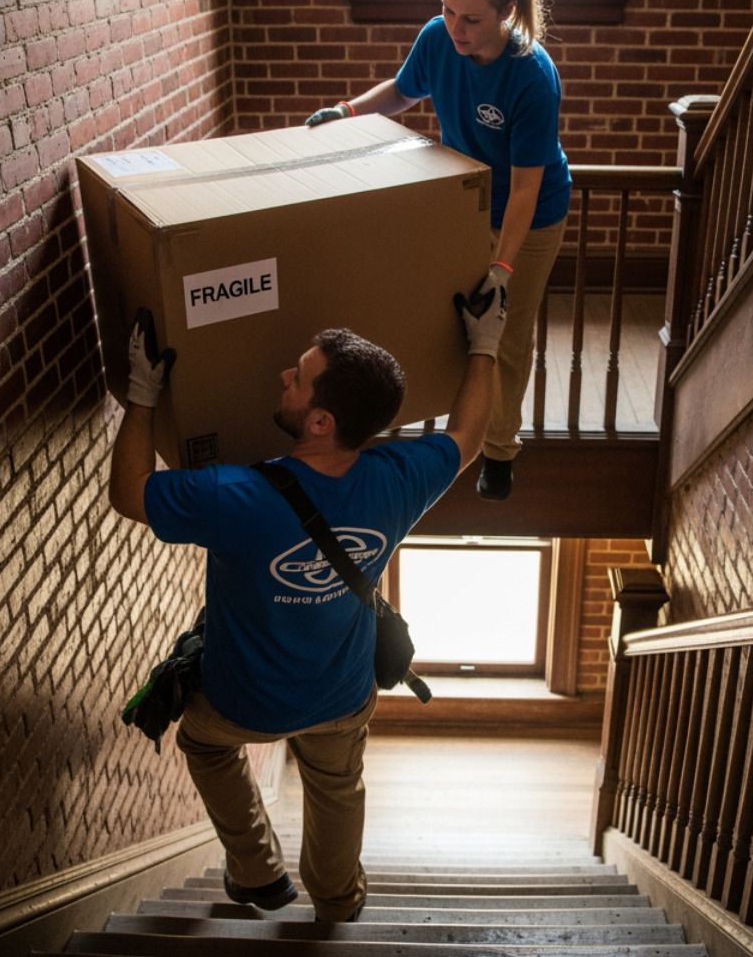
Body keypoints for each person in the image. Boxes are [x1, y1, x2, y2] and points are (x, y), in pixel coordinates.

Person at [107, 281, 506, 922]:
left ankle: (259, 873)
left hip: (243, 701)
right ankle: (338, 902)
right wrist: (485, 346)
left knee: (204, 745)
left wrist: (143, 393)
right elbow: (468, 435)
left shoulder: (232, 495)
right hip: (340, 698)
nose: (285, 374)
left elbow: (129, 494)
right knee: (338, 790)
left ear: (320, 421)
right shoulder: (399, 478)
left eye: (300, 376)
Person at [306, 0, 570, 503]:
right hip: (465, 205)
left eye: (471, 19)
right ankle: (442, 421)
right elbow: (402, 93)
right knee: (447, 319)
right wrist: (347, 111)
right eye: (447, 10)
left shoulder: (532, 75)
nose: (455, 28)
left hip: (532, 216)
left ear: (507, 12)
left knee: (503, 334)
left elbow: (526, 188)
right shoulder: (436, 40)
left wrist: (502, 267)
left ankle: (498, 451)